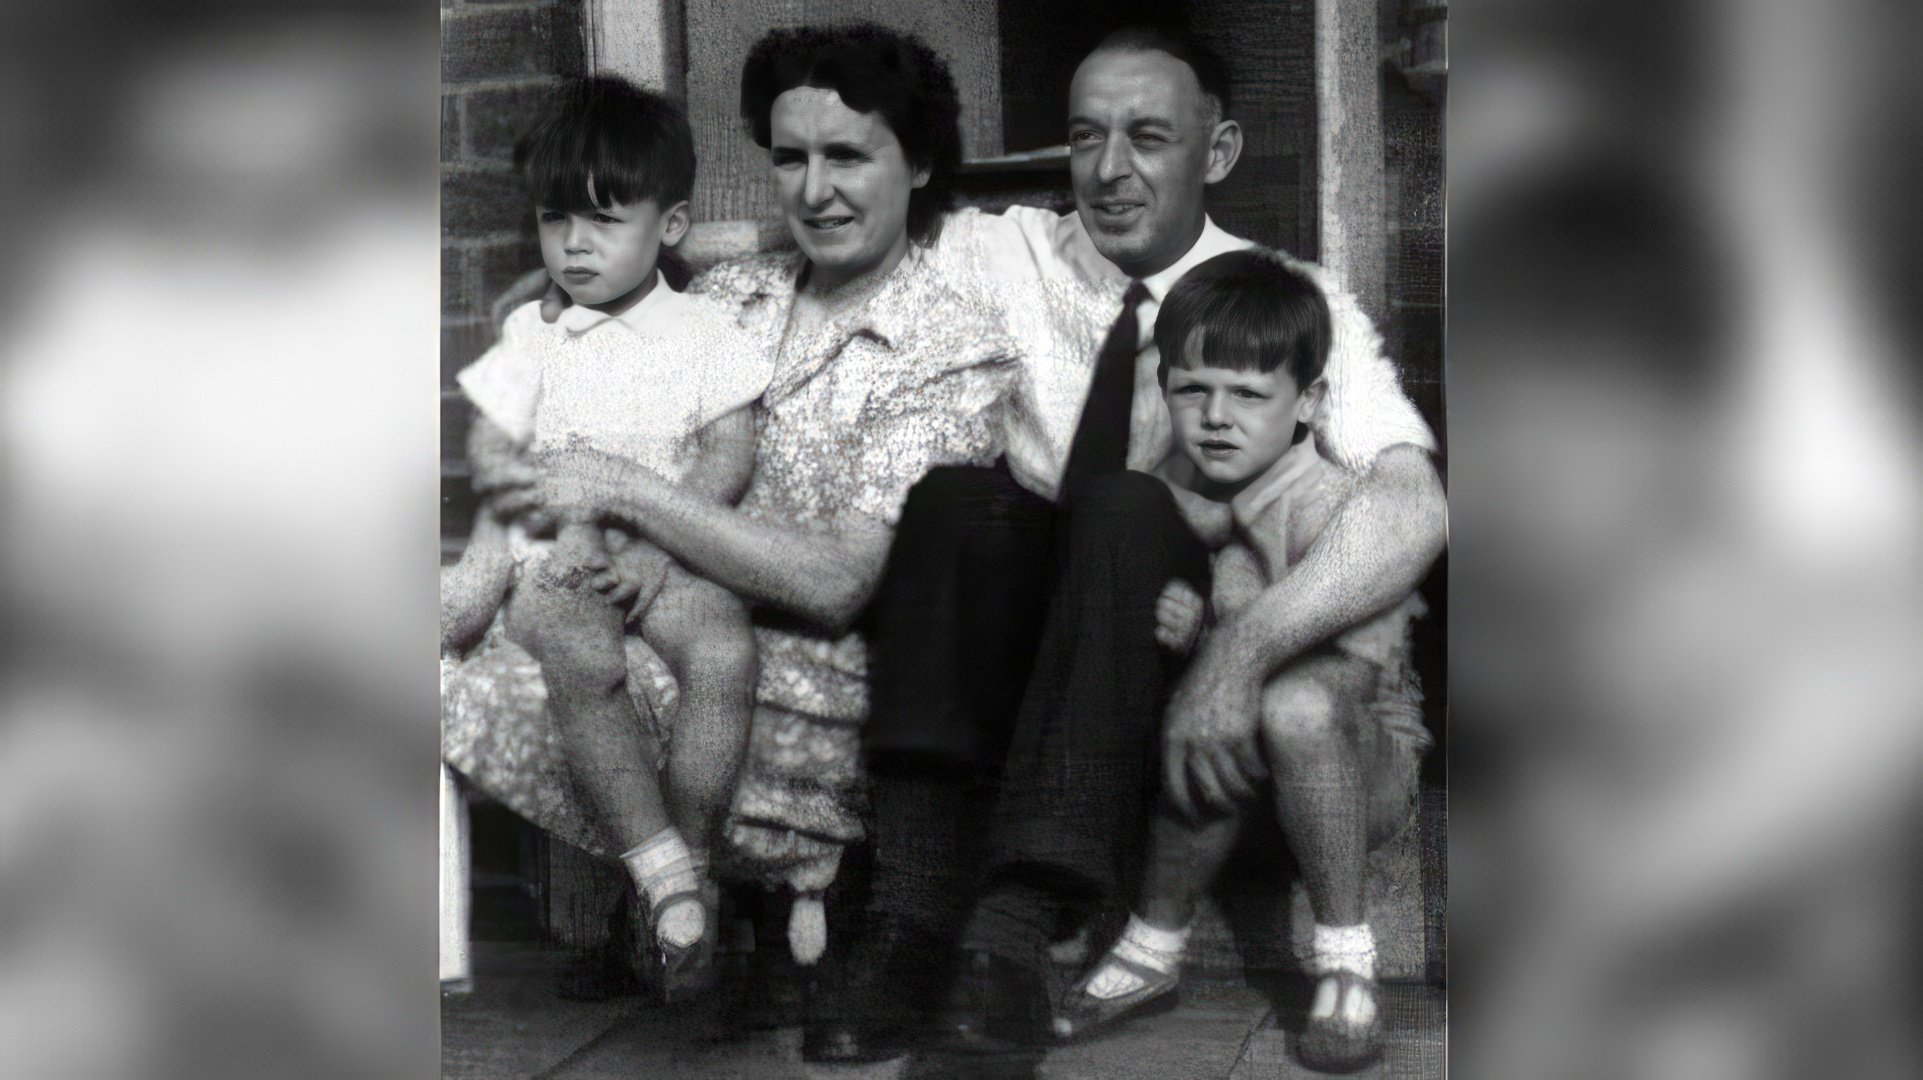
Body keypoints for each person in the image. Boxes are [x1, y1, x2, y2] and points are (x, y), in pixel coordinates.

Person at [825, 22, 1447, 1064]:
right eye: (1085, 137)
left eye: (1148, 138)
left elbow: (1412, 504)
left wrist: (1239, 654)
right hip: (1029, 656)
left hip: (1161, 671)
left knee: (1125, 505)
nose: (1108, 171)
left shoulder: (1283, 302)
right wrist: (593, 292)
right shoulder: (995, 251)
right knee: (952, 501)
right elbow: (822, 228)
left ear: (1218, 152)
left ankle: (1010, 940)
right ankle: (908, 922)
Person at [441, 22, 1016, 985]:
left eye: (847, 156)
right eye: (789, 158)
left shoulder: (948, 352)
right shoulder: (739, 289)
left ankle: (688, 888)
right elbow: (593, 288)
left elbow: (835, 584)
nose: (813, 189)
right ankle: (669, 898)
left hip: (794, 680)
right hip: (627, 606)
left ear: (918, 166)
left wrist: (628, 494)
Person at [1047, 249, 1434, 1072]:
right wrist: (1189, 632)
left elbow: (1347, 680)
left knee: (1282, 703)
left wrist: (1224, 644)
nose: (1216, 417)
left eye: (1250, 396)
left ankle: (1345, 961)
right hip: (1239, 774)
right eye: (1192, 390)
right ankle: (1153, 943)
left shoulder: (1330, 502)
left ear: (1309, 403)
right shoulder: (1177, 485)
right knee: (1211, 701)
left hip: (1359, 761)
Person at [438, 76, 772, 992]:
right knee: (582, 656)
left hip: (669, 548)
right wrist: (485, 571)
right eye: (555, 221)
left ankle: (689, 870)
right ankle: (657, 866)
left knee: (724, 651)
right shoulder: (527, 334)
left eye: (602, 220)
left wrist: (663, 553)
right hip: (562, 555)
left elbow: (726, 453)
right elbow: (501, 467)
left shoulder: (702, 328)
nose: (573, 244)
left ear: (668, 227)